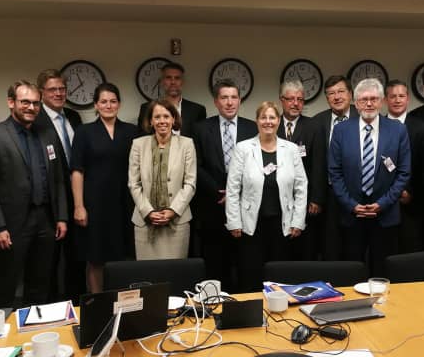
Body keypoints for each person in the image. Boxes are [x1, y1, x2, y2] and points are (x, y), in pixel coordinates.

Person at [0, 80, 67, 308]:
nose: (31, 107)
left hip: (45, 221)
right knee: (5, 285)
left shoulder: (48, 135)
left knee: (40, 283)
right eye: (25, 102)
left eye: (35, 103)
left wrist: (62, 217)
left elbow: (57, 180)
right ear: (11, 102)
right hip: (12, 225)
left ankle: (33, 327)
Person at [329, 78, 411, 276]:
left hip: (385, 215)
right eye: (363, 99)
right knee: (352, 271)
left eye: (373, 99)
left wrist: (383, 203)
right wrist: (351, 205)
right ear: (355, 103)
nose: (369, 104)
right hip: (351, 215)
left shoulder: (397, 129)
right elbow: (334, 172)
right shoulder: (341, 130)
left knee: (383, 273)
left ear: (381, 101)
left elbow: (403, 172)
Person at [226, 102, 308, 291]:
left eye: (272, 117)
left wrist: (298, 221)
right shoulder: (243, 148)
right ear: (257, 121)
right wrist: (234, 221)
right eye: (263, 117)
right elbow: (232, 187)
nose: (268, 122)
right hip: (250, 224)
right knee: (251, 274)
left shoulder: (291, 149)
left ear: (278, 121)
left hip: (283, 223)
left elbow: (301, 186)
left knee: (278, 275)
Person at [71, 83, 139, 293]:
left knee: (125, 257)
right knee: (96, 258)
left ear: (119, 104)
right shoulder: (84, 132)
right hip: (95, 204)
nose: (108, 106)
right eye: (103, 102)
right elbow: (77, 171)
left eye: (113, 101)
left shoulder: (132, 131)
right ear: (96, 105)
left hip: (125, 203)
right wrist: (79, 206)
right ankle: (98, 301)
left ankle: (124, 305)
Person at [192, 79, 257, 291]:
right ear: (216, 101)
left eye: (233, 97)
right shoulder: (201, 128)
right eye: (224, 97)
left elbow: (257, 165)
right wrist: (219, 191)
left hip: (244, 205)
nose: (229, 102)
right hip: (212, 205)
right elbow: (196, 165)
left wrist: (235, 192)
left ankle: (244, 300)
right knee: (215, 262)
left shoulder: (252, 127)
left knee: (244, 262)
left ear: (239, 100)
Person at [33, 68, 85, 303]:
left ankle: (77, 305)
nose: (58, 93)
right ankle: (52, 307)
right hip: (51, 201)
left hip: (77, 197)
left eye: (62, 89)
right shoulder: (36, 119)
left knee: (77, 256)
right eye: (52, 89)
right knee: (50, 260)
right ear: (41, 92)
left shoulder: (73, 117)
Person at [129, 100, 197, 260]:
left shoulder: (187, 144)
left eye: (166, 116)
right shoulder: (138, 144)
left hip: (177, 223)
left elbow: (190, 183)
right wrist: (148, 211)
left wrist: (173, 210)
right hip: (145, 222)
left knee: (175, 272)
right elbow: (134, 183)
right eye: (157, 117)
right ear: (150, 121)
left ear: (173, 119)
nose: (162, 121)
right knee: (147, 273)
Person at [277, 80, 326, 260]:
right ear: (282, 100)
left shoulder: (314, 126)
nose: (295, 103)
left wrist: (316, 198)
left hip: (305, 199)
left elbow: (319, 164)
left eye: (300, 99)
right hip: (278, 198)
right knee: (281, 249)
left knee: (305, 249)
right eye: (290, 99)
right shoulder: (271, 124)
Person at [311, 75, 358, 260]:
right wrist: (316, 197)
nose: (337, 97)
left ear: (350, 94)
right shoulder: (317, 122)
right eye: (331, 93)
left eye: (341, 91)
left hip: (357, 193)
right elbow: (314, 163)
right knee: (330, 244)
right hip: (328, 194)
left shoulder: (363, 117)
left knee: (355, 244)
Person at [385, 79, 424, 252]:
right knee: (385, 250)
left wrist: (409, 191)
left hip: (412, 202)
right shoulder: (376, 125)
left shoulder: (423, 128)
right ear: (385, 100)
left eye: (401, 96)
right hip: (383, 201)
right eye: (392, 96)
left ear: (407, 99)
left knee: (411, 251)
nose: (397, 100)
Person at [136, 62, 206, 137]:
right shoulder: (146, 108)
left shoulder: (197, 110)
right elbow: (142, 138)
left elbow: (200, 138)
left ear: (182, 82)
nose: (173, 82)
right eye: (168, 78)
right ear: (162, 81)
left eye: (177, 78)